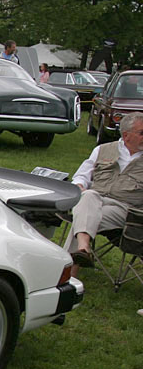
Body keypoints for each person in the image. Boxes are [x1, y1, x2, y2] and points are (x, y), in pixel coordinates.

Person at [64, 113, 143, 278]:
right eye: (141, 133)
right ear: (126, 135)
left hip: (125, 209)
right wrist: (80, 186)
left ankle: (67, 275)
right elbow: (80, 177)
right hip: (95, 201)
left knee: (81, 220)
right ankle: (83, 249)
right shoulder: (102, 150)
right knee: (88, 197)